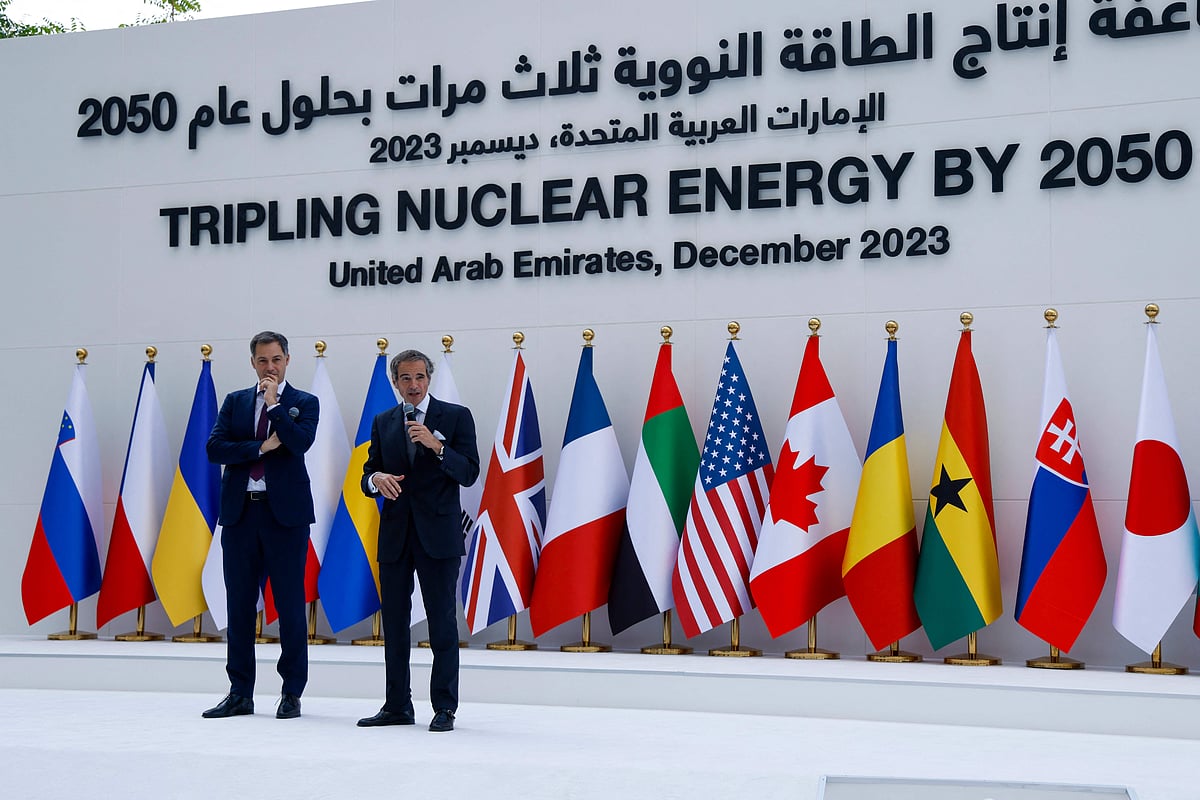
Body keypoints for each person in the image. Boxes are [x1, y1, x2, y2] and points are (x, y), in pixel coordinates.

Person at [356, 349, 479, 733]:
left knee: (442, 623)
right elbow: (368, 471)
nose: (413, 385)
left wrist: (437, 446)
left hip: (438, 536)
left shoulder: (455, 417)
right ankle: (397, 705)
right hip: (395, 535)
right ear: (396, 383)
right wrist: (375, 481)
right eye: (405, 379)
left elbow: (470, 473)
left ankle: (444, 707)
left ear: (430, 378)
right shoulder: (383, 420)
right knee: (394, 624)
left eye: (420, 377)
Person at [202, 331, 318, 720]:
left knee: (288, 606)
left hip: (284, 517)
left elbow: (300, 443)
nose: (270, 367)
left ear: (288, 360)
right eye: (263, 361)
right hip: (240, 515)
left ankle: (291, 693)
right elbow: (214, 448)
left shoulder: (304, 402)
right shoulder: (235, 401)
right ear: (253, 362)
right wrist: (258, 448)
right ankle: (240, 692)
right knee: (239, 606)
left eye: (276, 360)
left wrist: (275, 407)